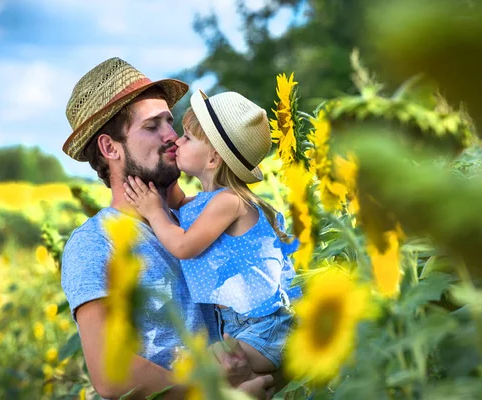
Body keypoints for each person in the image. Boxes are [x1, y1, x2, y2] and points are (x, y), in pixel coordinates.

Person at [60, 57, 274, 400]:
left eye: (170, 122)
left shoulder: (198, 220)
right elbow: (111, 373)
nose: (172, 137)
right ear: (109, 147)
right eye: (152, 126)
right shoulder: (96, 244)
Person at [123, 89, 301, 374]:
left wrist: (154, 211)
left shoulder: (229, 202)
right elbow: (182, 205)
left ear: (213, 160)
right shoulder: (210, 203)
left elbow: (183, 246)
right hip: (240, 326)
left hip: (264, 329)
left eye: (187, 138)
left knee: (204, 373)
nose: (176, 141)